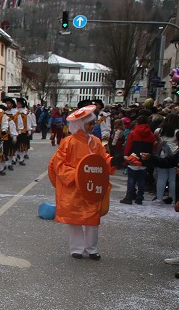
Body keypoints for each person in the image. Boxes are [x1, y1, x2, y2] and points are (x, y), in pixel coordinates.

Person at [48, 105, 110, 260]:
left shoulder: (96, 142)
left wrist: (114, 161)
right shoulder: (68, 142)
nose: (92, 126)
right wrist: (78, 174)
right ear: (81, 124)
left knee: (93, 218)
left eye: (93, 124)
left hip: (92, 186)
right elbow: (59, 164)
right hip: (74, 187)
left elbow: (103, 160)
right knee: (75, 218)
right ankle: (76, 248)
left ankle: (91, 248)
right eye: (90, 124)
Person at [121, 115, 155, 205]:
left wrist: (125, 156)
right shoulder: (151, 134)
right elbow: (153, 147)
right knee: (142, 180)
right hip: (145, 158)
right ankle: (139, 198)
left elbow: (128, 146)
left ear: (137, 123)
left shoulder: (133, 133)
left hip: (133, 157)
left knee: (131, 178)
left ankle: (129, 197)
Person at [152, 113, 178, 204]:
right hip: (174, 155)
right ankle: (174, 199)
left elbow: (156, 139)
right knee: (173, 179)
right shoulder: (177, 131)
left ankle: (159, 198)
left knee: (161, 178)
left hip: (162, 154)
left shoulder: (159, 130)